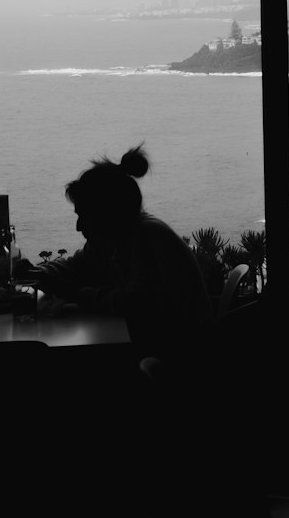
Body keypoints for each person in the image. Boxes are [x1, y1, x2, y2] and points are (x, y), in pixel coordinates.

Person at [33, 144, 214, 362]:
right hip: (159, 346)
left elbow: (138, 304)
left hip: (179, 356)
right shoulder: (113, 238)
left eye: (84, 216)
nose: (79, 227)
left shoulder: (147, 238)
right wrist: (34, 273)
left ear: (106, 213)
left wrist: (77, 293)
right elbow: (73, 267)